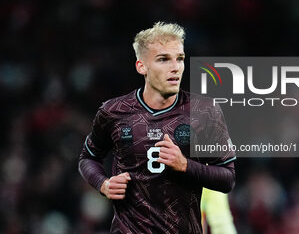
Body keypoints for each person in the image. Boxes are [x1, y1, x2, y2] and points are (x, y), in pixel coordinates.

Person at [78, 22, 236, 234]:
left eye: (179, 58)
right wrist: (103, 183)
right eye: (163, 59)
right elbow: (88, 158)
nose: (175, 67)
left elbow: (228, 178)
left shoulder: (205, 111)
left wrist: (184, 165)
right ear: (141, 66)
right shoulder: (113, 111)